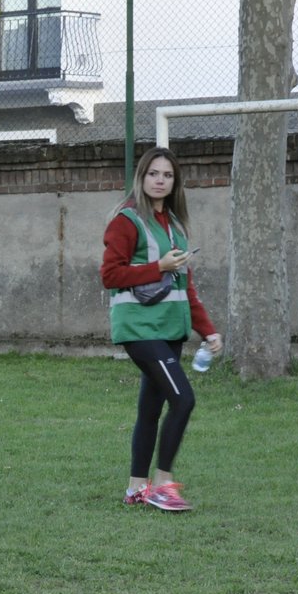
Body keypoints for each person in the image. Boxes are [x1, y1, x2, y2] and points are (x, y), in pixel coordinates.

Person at [100, 146, 221, 512]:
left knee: (150, 409)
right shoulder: (126, 220)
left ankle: (137, 488)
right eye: (154, 173)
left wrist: (208, 330)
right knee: (183, 399)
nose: (160, 180)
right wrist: (158, 266)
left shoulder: (176, 226)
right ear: (142, 176)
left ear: (174, 182)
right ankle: (163, 485)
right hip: (140, 329)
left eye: (167, 175)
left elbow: (187, 287)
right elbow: (109, 275)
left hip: (170, 329)